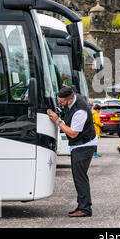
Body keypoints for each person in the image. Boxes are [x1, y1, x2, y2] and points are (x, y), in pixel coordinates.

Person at [48, 87, 97, 218]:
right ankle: (82, 205)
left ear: (70, 100)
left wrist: (57, 121)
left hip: (84, 145)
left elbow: (73, 133)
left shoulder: (80, 111)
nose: (59, 103)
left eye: (61, 102)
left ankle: (85, 208)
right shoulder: (73, 97)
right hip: (80, 145)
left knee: (80, 177)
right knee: (78, 176)